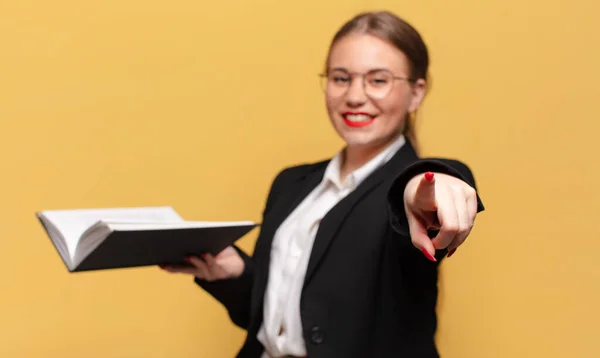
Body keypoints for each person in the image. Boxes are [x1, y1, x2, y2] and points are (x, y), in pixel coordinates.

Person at [161, 10, 485, 358]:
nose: (354, 96)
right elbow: (277, 319)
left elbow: (435, 180)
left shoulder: (413, 192)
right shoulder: (291, 184)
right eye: (341, 78)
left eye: (378, 80)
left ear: (416, 93)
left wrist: (427, 184)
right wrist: (233, 272)